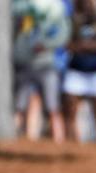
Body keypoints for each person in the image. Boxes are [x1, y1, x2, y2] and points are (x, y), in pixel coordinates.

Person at [12, 0, 69, 143]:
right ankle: (13, 141)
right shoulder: (22, 9)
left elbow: (63, 34)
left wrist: (46, 45)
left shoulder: (55, 9)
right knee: (20, 106)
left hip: (46, 65)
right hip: (25, 65)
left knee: (53, 107)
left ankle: (59, 141)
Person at [64, 0, 96, 145]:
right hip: (76, 70)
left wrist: (82, 45)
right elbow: (67, 44)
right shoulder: (73, 19)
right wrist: (92, 45)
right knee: (70, 110)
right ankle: (74, 145)